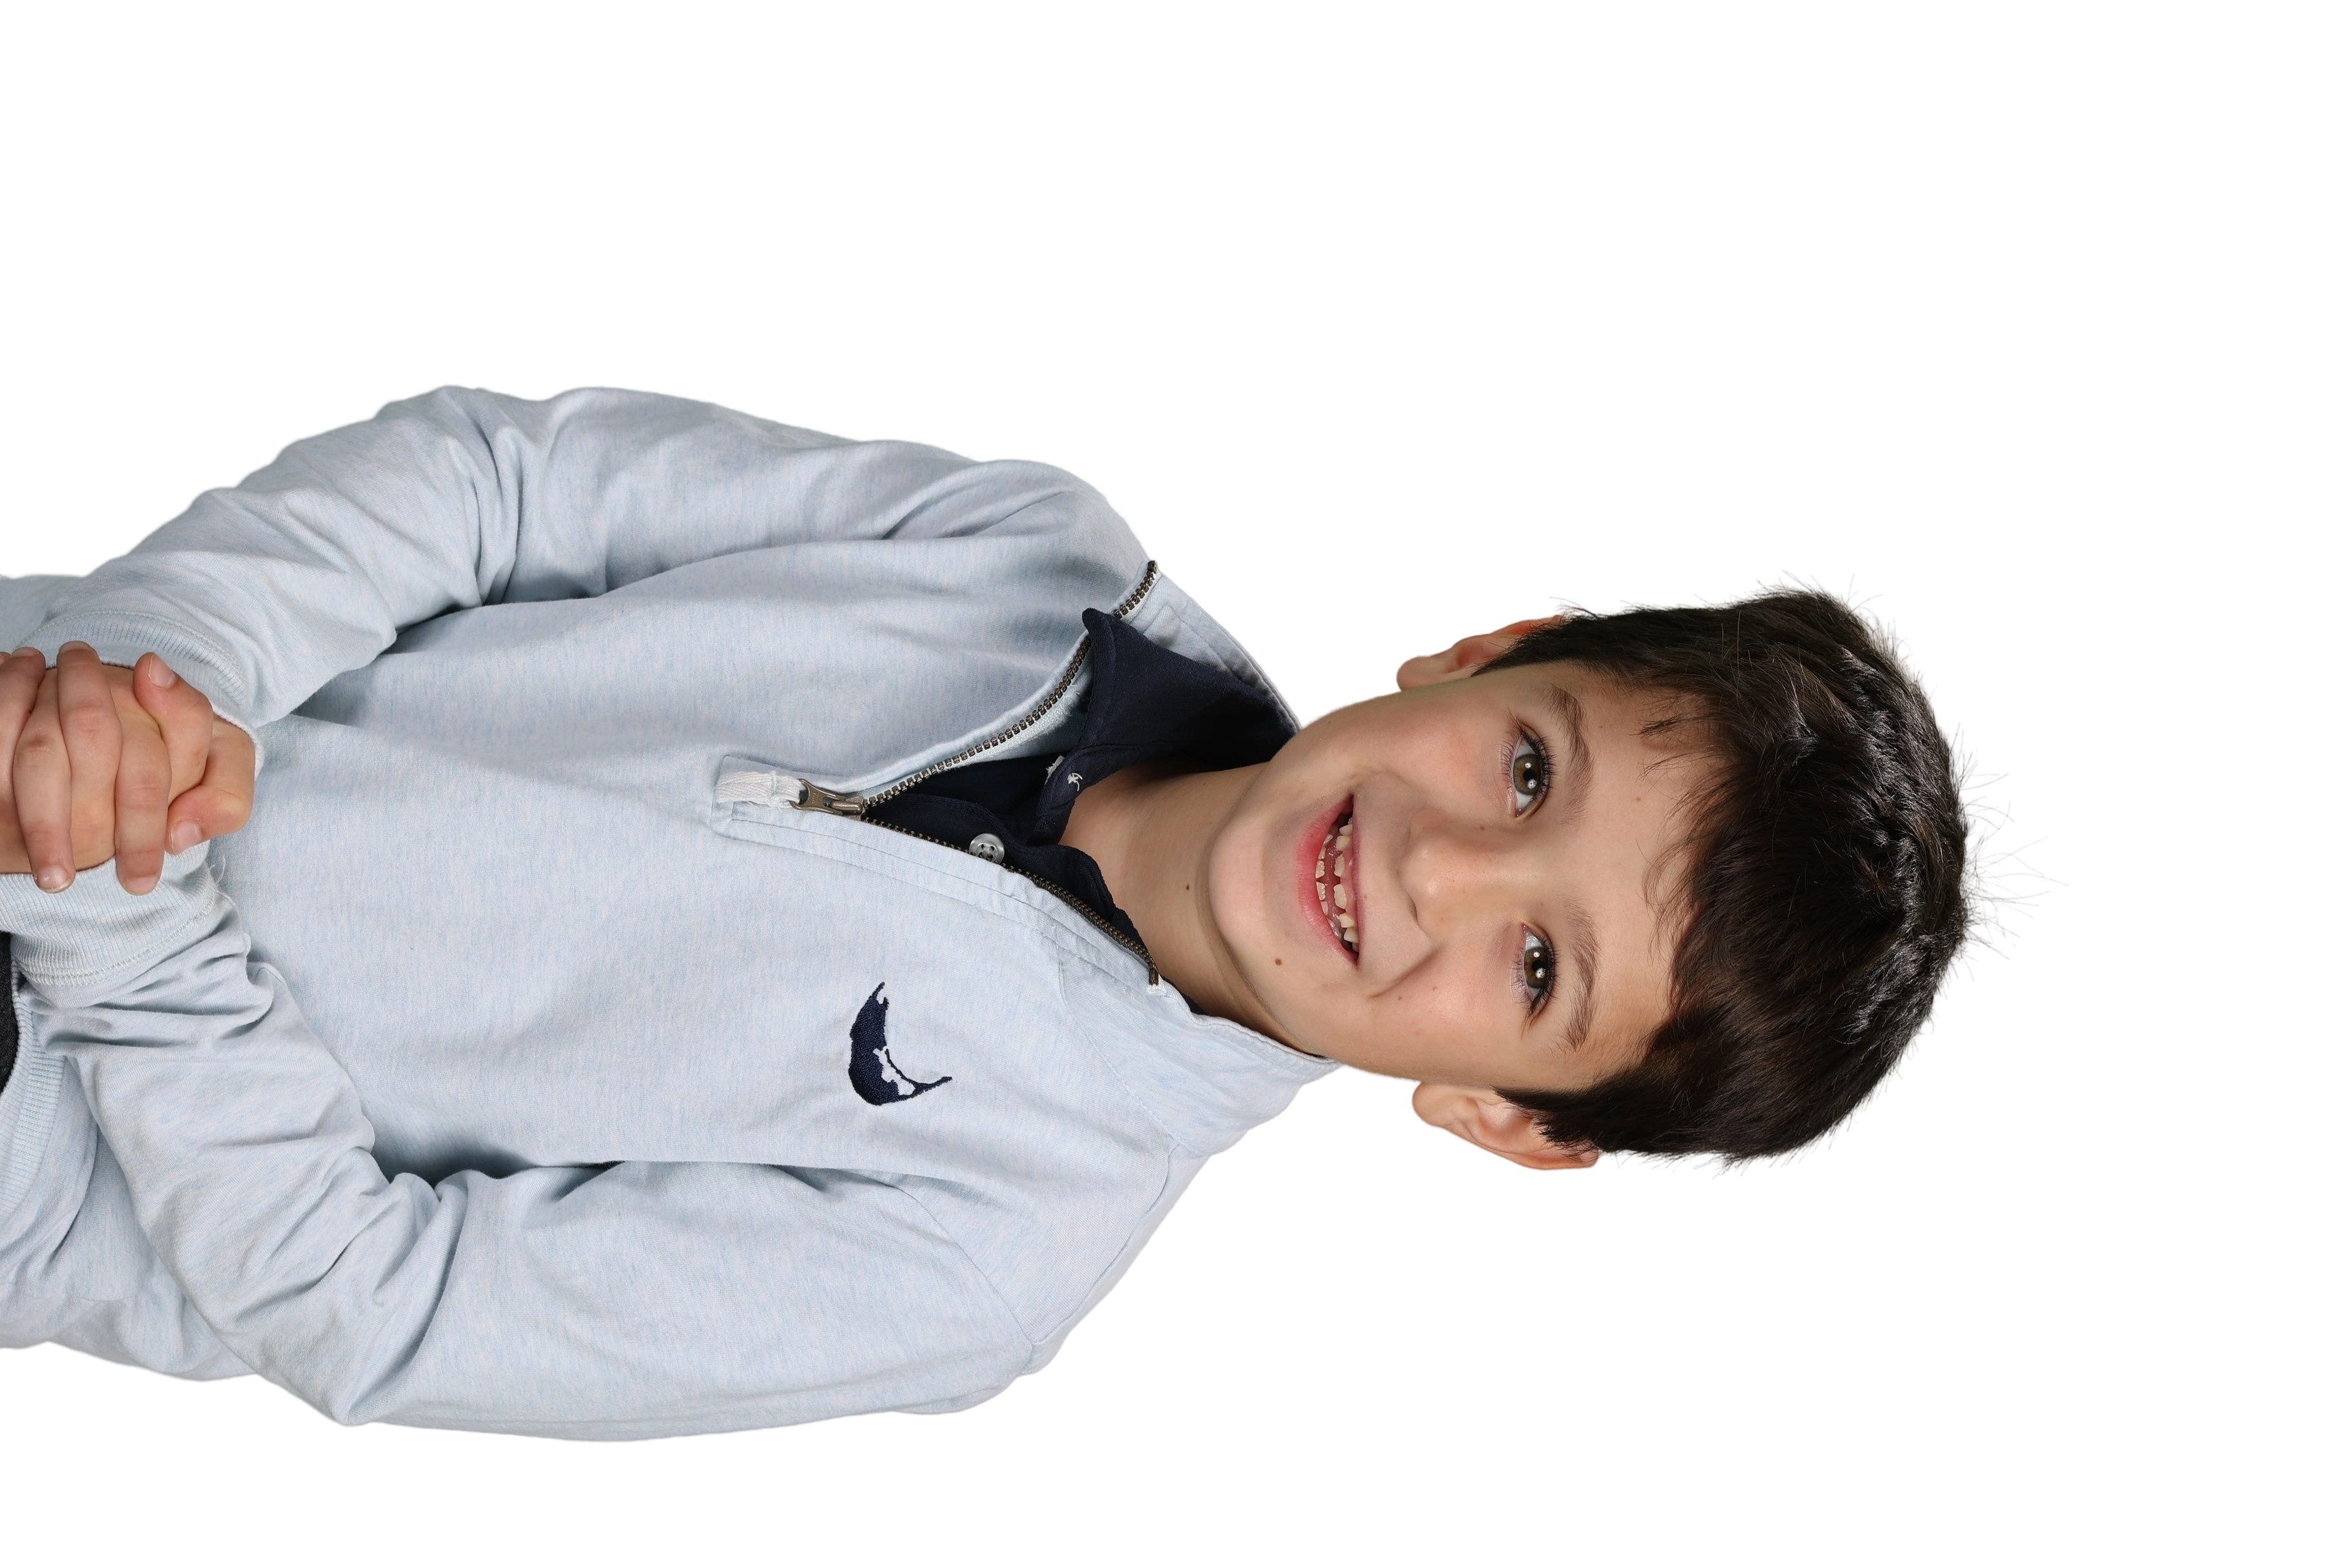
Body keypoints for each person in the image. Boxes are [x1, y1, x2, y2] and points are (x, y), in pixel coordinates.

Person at [0, 383, 2054, 1444]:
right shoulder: (1027, 547)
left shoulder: (986, 1259)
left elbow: (382, 1311)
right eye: (1528, 771)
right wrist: (157, 677)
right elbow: (500, 486)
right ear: (1487, 650)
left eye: (1539, 970)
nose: (1436, 869)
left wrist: (113, 895)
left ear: (1513, 1121)